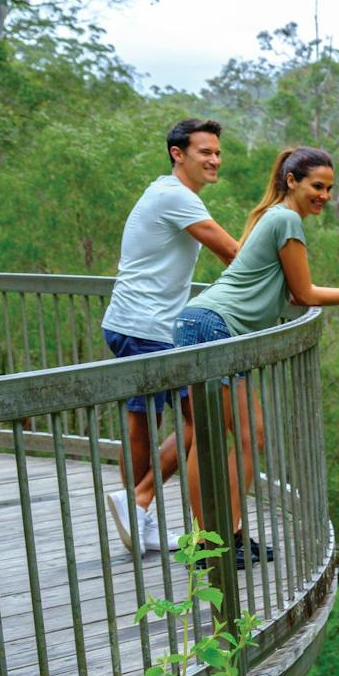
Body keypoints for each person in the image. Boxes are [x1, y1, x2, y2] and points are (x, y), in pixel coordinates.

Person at [172, 146, 339, 566]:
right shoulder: (286, 219)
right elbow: (305, 294)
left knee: (218, 438)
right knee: (243, 435)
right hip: (214, 326)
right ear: (292, 181)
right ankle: (216, 543)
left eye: (330, 188)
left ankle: (217, 539)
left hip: (200, 323)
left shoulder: (271, 216)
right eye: (317, 186)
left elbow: (288, 293)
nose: (324, 196)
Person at [100, 117, 241, 554]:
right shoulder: (175, 197)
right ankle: (138, 504)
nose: (214, 160)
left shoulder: (169, 193)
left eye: (217, 152)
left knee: (155, 419)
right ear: (178, 154)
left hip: (141, 323)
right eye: (205, 152)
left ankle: (138, 510)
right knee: (195, 420)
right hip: (146, 326)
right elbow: (232, 252)